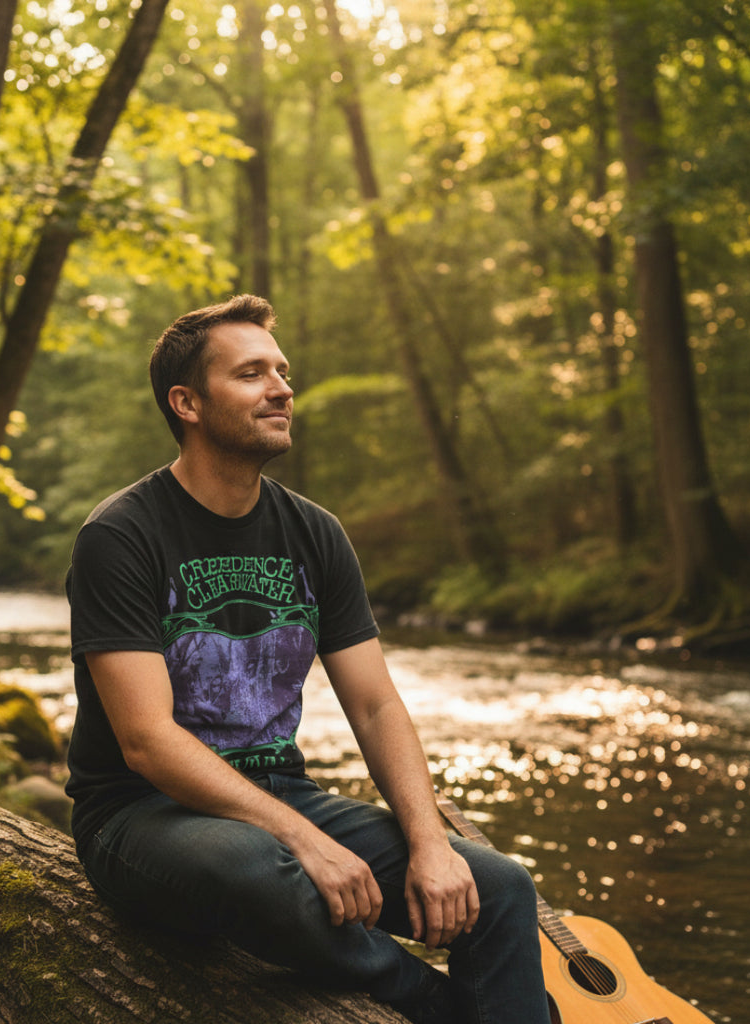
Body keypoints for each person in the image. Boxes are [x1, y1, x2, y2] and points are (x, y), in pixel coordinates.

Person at [65, 294, 551, 1024]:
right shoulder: (122, 535)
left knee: (502, 886)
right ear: (187, 403)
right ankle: (429, 1005)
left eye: (283, 371)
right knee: (261, 867)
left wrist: (429, 844)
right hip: (141, 818)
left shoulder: (315, 532)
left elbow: (376, 704)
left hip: (277, 791)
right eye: (253, 373)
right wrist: (303, 841)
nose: (282, 388)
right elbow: (146, 741)